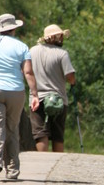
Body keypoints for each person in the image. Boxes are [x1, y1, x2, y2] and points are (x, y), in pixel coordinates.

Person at [0, 13, 40, 181]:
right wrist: (34, 94)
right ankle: (12, 170)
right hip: (15, 91)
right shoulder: (22, 47)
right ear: (14, 28)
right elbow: (28, 72)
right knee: (12, 128)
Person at [29, 23, 76, 153]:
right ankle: (56, 165)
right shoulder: (62, 54)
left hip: (37, 98)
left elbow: (26, 71)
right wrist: (73, 82)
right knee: (57, 135)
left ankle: (42, 163)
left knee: (40, 134)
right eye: (60, 36)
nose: (62, 38)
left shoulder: (32, 51)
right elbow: (70, 77)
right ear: (55, 38)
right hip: (58, 99)